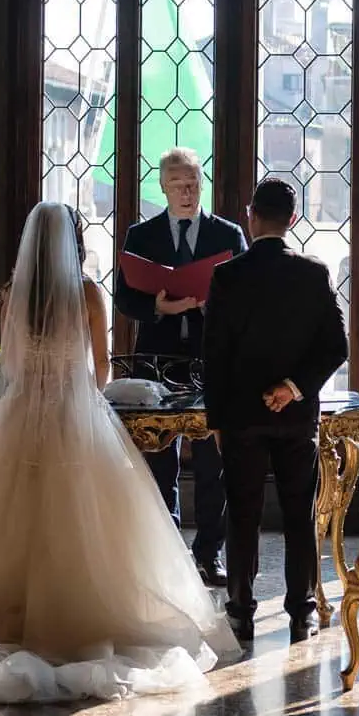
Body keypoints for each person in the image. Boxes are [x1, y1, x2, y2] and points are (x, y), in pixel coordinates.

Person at [0, 201, 236, 705]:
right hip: (73, 413)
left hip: (21, 413)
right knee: (82, 517)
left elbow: (10, 364)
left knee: (9, 516)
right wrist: (81, 396)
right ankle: (76, 612)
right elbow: (100, 368)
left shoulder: (13, 296)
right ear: (72, 242)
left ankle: (6, 613)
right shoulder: (87, 293)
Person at [201, 177, 348, 645]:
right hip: (296, 418)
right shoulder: (314, 273)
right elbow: (337, 347)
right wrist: (293, 388)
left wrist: (217, 420)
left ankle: (241, 613)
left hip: (241, 418)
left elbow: (214, 358)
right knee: (299, 514)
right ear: (292, 220)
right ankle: (301, 612)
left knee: (242, 515)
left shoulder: (227, 276)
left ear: (251, 215)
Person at [112, 147, 246, 586]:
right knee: (158, 463)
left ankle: (210, 554)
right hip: (157, 359)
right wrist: (158, 307)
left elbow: (248, 297)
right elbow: (124, 297)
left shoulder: (227, 234)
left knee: (211, 464)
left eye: (192, 184)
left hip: (211, 362)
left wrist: (215, 306)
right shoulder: (141, 235)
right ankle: (164, 555)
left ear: (201, 184)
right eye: (177, 185)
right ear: (163, 188)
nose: (186, 193)